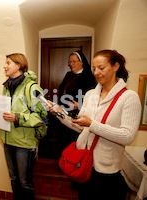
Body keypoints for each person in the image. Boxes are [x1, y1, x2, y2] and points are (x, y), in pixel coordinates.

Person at [50, 49, 141, 200]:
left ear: (116, 66)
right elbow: (80, 126)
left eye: (101, 67)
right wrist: (59, 113)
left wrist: (92, 124)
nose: (97, 72)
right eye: (94, 68)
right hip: (85, 165)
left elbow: (127, 136)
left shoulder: (129, 98)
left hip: (107, 171)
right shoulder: (91, 95)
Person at [0, 53, 47, 200]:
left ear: (19, 65)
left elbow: (42, 116)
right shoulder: (7, 87)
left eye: (8, 63)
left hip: (24, 144)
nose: (5, 66)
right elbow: (6, 110)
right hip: (8, 140)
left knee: (24, 182)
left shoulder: (32, 88)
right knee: (14, 179)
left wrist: (17, 118)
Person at [53, 50, 96, 158]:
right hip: (64, 112)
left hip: (78, 115)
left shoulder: (89, 78)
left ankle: (72, 163)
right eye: (70, 62)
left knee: (72, 140)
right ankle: (63, 161)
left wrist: (79, 105)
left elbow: (94, 100)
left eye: (74, 61)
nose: (71, 64)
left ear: (82, 62)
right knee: (61, 139)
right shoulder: (68, 75)